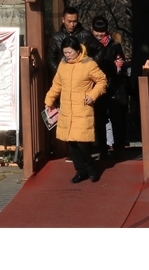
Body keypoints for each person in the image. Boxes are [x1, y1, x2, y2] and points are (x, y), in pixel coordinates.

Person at [44, 38, 107, 183]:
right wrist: (49, 100)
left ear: (77, 50)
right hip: (67, 109)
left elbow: (102, 81)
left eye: (69, 52)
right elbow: (57, 84)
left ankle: (90, 167)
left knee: (82, 142)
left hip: (82, 108)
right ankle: (80, 170)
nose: (67, 55)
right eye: (65, 52)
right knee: (72, 143)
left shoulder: (89, 64)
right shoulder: (63, 64)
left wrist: (92, 95)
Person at [90, 16, 132, 158]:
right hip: (96, 86)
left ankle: (118, 147)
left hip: (114, 85)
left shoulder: (114, 45)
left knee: (117, 119)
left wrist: (119, 65)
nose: (99, 35)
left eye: (102, 32)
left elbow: (121, 61)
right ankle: (102, 148)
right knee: (100, 120)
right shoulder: (88, 44)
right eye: (97, 32)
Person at [46, 8, 85, 81]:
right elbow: (51, 58)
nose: (72, 25)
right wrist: (60, 72)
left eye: (75, 21)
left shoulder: (86, 35)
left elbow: (100, 50)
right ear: (63, 20)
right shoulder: (56, 37)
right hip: (63, 78)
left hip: (81, 77)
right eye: (69, 21)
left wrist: (89, 64)